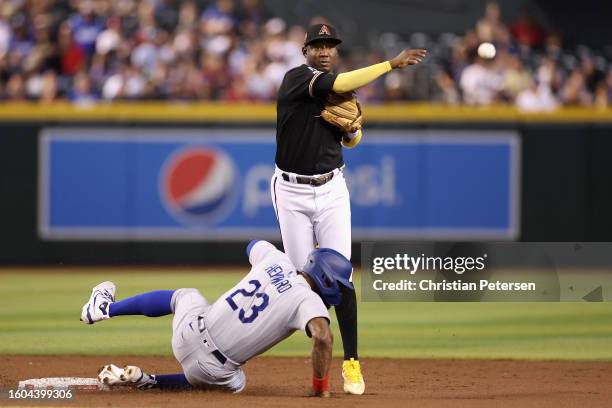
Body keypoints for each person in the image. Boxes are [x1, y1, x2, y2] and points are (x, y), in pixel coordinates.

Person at [272, 23, 427, 394]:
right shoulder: (297, 78)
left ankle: (352, 362)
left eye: (330, 46)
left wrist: (354, 129)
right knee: (301, 280)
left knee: (341, 275)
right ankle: (315, 339)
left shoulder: (336, 91)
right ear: (305, 51)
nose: (324, 51)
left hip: (331, 190)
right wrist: (390, 65)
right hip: (291, 192)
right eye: (317, 46)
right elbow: (339, 85)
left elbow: (351, 139)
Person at [80, 240, 352, 397]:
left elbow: (252, 245)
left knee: (184, 295)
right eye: (339, 284)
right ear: (327, 281)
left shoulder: (277, 260)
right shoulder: (309, 301)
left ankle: (104, 309)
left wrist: (271, 268)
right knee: (237, 381)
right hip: (211, 371)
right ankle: (149, 380)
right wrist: (320, 388)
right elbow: (323, 337)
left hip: (187, 333)